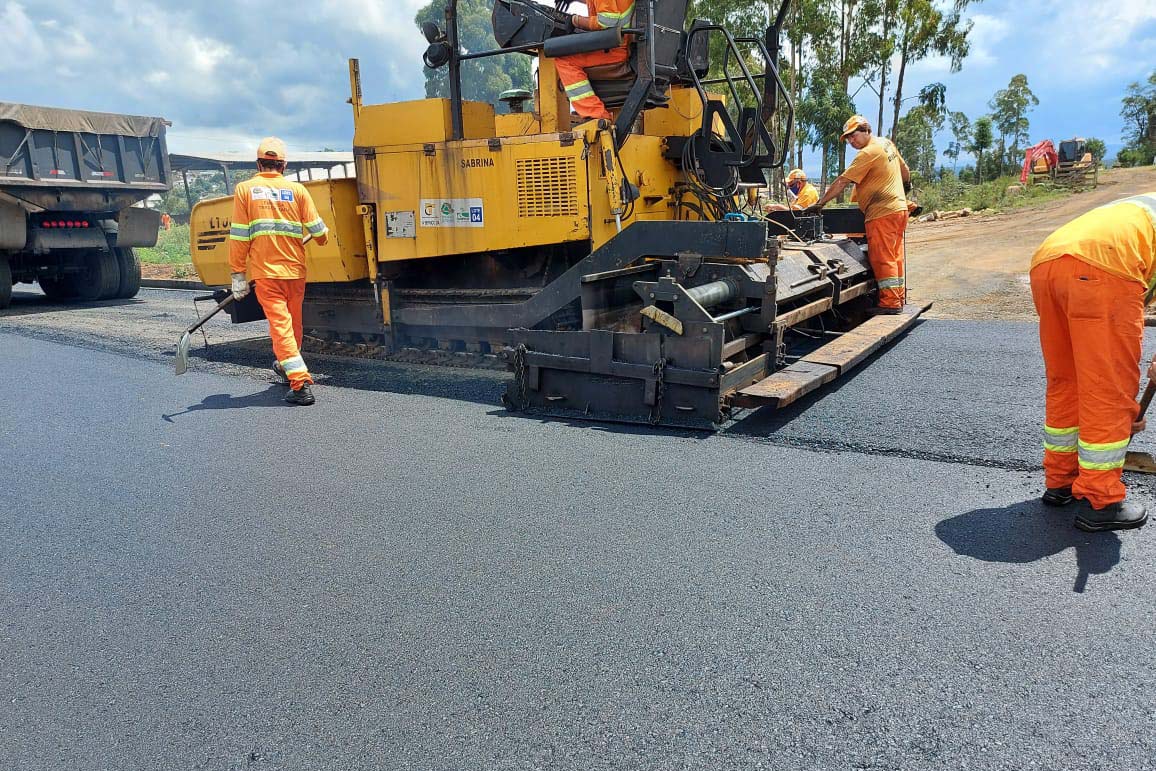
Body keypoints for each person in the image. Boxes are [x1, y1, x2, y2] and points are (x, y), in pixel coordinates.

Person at [1029, 193, 1156, 532]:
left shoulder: (1138, 209)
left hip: (1047, 263)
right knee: (1108, 386)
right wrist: (1122, 411)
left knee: (1066, 381)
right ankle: (1101, 500)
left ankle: (1061, 481)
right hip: (1105, 267)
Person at [228, 137, 329, 406]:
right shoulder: (298, 190)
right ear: (283, 165)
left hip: (267, 273)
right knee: (293, 324)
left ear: (259, 163)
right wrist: (322, 234)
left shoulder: (245, 190)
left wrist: (238, 274)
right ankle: (287, 367)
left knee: (281, 327)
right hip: (295, 271)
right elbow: (319, 233)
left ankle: (300, 384)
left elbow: (239, 236)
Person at [804, 115, 911, 315]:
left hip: (881, 213)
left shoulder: (867, 153)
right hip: (898, 210)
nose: (852, 141)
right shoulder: (886, 144)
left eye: (854, 136)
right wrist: (904, 189)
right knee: (895, 256)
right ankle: (898, 297)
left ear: (866, 130)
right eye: (848, 139)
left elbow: (843, 181)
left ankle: (890, 304)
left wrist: (820, 204)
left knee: (882, 257)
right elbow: (905, 171)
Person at [553, 0, 635, 121]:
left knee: (564, 59)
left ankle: (596, 116)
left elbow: (607, 22)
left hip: (614, 48)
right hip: (620, 43)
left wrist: (575, 20)